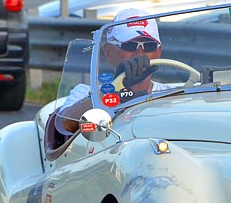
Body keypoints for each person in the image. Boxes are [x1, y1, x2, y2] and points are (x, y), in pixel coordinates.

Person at [50, 8, 169, 139]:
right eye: (129, 46)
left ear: (158, 52)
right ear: (109, 52)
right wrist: (114, 89)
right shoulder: (85, 93)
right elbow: (66, 124)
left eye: (149, 46)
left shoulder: (173, 94)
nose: (140, 54)